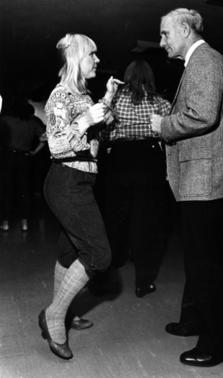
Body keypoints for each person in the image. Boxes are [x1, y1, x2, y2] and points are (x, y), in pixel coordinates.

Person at [150, 8, 223, 367]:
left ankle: (222, 345)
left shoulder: (205, 61)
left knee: (205, 266)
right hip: (201, 181)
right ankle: (195, 320)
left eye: (165, 34)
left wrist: (164, 125)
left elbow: (202, 115)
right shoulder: (201, 62)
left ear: (186, 30)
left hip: (207, 183)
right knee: (198, 261)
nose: (161, 42)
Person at [38, 33, 122, 360]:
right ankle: (55, 314)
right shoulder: (61, 95)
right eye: (92, 55)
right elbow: (57, 145)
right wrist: (88, 120)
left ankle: (65, 312)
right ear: (76, 58)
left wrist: (108, 100)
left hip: (80, 182)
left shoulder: (82, 94)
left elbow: (94, 133)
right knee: (100, 256)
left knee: (68, 250)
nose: (98, 60)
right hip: (66, 181)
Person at [102, 59, 172, 297]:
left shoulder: (117, 101)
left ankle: (109, 274)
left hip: (120, 159)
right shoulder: (160, 103)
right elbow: (170, 131)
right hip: (149, 159)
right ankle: (143, 282)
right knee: (147, 221)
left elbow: (105, 131)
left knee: (116, 216)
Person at [0, 97, 46, 231]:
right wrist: (34, 152)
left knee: (7, 190)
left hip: (8, 157)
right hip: (25, 158)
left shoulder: (7, 120)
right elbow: (44, 138)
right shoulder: (33, 123)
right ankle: (24, 223)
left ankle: (6, 222)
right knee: (24, 190)